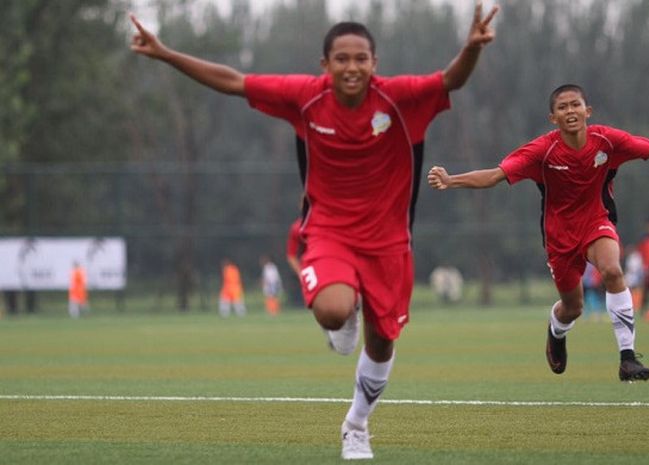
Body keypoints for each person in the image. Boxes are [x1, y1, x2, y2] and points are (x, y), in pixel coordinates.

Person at [130, 2, 499, 459]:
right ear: (324, 65)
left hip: (389, 239)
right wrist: (166, 53)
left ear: (374, 64)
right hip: (329, 230)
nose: (351, 67)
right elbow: (232, 80)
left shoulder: (398, 99)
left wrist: (470, 49)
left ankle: (356, 425)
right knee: (331, 309)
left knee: (382, 342)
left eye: (361, 58)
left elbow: (450, 81)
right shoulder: (305, 96)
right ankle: (344, 312)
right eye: (341, 58)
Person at [428, 83, 649, 382]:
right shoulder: (541, 151)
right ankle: (556, 331)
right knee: (573, 307)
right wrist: (451, 180)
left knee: (612, 270)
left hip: (597, 221)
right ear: (553, 118)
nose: (570, 111)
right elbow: (494, 175)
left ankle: (628, 358)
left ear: (588, 111)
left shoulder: (607, 141)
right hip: (559, 237)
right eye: (562, 107)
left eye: (575, 105)